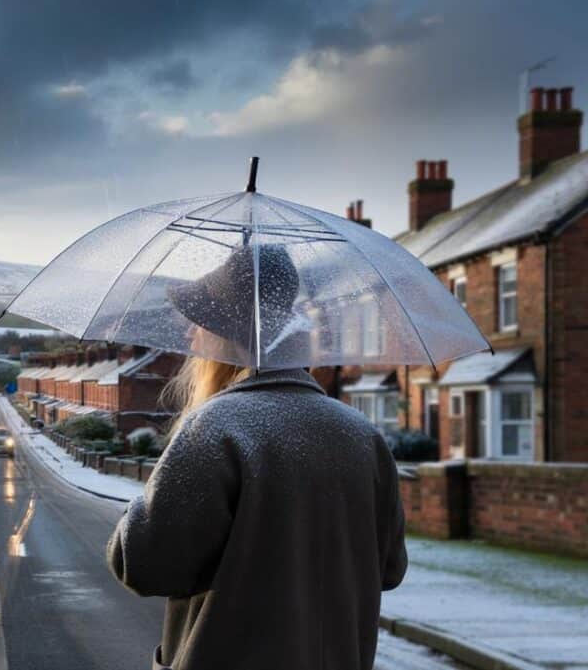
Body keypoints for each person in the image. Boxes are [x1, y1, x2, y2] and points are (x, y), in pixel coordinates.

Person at [106, 245, 408, 670]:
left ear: (228, 334)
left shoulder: (215, 428)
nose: (191, 336)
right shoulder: (362, 436)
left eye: (201, 324)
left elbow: (143, 564)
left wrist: (145, 498)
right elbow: (390, 569)